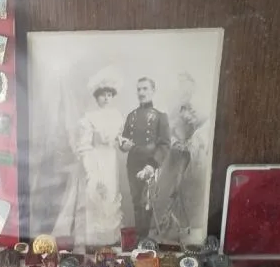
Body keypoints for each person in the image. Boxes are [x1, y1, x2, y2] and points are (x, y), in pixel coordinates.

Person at [52, 68, 125, 246]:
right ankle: (93, 240)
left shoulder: (117, 116)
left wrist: (122, 142)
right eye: (102, 95)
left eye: (109, 95)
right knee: (95, 194)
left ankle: (109, 240)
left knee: (110, 196)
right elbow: (84, 145)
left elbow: (119, 138)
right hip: (96, 158)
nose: (106, 98)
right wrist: (90, 168)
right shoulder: (89, 117)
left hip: (111, 160)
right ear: (96, 97)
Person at [151, 72, 210, 244]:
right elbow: (166, 132)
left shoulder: (196, 110)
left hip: (189, 157)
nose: (186, 93)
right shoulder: (173, 110)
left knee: (184, 190)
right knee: (171, 190)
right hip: (174, 156)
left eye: (189, 90)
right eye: (183, 89)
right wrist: (176, 141)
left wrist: (191, 142)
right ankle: (170, 227)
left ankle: (184, 228)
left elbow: (202, 128)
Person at [119, 77, 171, 240]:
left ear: (153, 91)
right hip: (133, 164)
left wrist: (151, 166)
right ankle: (140, 239)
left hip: (150, 163)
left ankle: (143, 239)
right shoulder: (131, 115)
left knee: (146, 202)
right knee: (136, 202)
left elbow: (165, 145)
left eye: (145, 89)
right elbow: (124, 140)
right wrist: (123, 145)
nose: (141, 92)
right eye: (139, 89)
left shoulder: (160, 116)